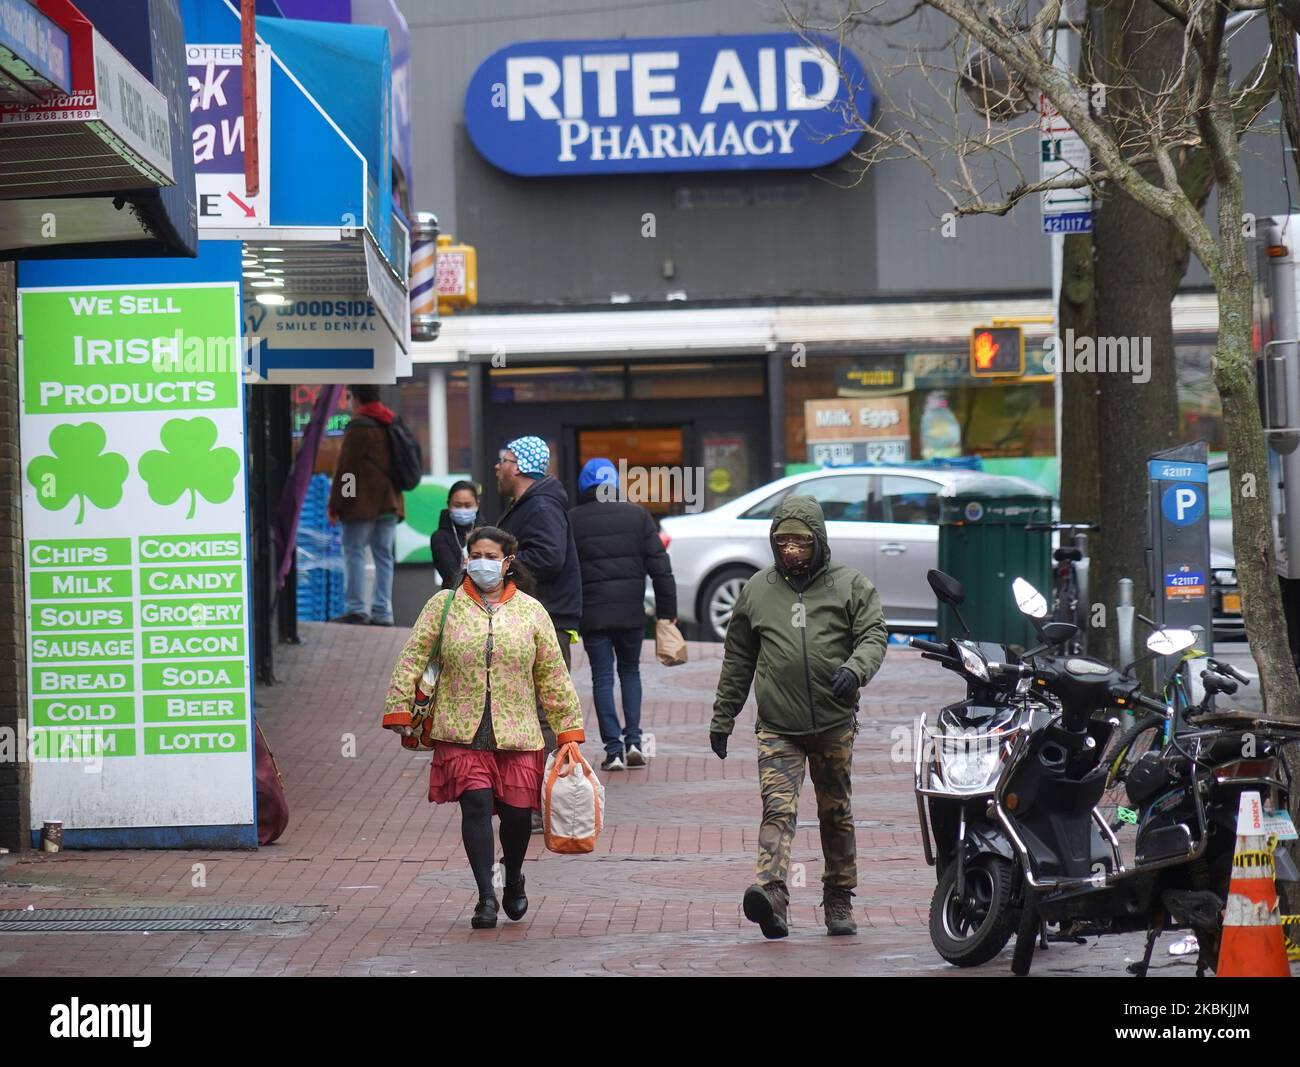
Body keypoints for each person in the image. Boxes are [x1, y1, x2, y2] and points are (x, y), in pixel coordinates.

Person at [382, 526, 585, 930]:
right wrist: (399, 708)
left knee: (515, 816)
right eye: (475, 554)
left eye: (491, 556)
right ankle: (485, 897)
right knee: (474, 804)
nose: (482, 563)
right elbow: (412, 658)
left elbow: (552, 675)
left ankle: (512, 879)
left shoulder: (531, 611)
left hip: (518, 732)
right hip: (460, 728)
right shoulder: (444, 605)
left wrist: (568, 730)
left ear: (507, 563)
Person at [709, 496, 888, 940]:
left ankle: (839, 898)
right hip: (777, 727)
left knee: (836, 812)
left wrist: (855, 669)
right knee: (778, 809)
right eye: (783, 540)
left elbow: (874, 634)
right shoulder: (757, 590)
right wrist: (723, 716)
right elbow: (738, 660)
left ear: (819, 542)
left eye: (801, 541)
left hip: (833, 724)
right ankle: (771, 895)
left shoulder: (850, 585)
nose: (791, 550)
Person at [569, 457, 676, 772]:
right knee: (630, 673)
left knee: (602, 677)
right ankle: (634, 742)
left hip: (593, 614)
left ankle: (613, 750)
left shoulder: (572, 519)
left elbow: (567, 572)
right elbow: (661, 568)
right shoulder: (638, 516)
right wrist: (667, 614)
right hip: (631, 612)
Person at [327, 384, 404, 626]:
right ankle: (382, 612)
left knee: (354, 552)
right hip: (390, 502)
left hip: (361, 504)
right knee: (384, 556)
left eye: (348, 397)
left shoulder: (359, 427)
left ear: (356, 398)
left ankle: (357, 609)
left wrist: (340, 504)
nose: (348, 402)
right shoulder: (391, 422)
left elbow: (347, 471)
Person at [430, 480, 482, 588]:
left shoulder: (488, 533)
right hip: (454, 595)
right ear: (448, 505)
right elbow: (449, 574)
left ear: (477, 504)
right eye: (458, 505)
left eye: (468, 505)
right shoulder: (439, 537)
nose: (463, 510)